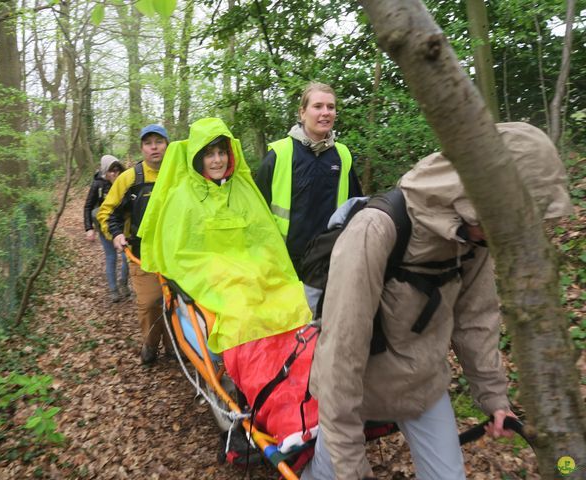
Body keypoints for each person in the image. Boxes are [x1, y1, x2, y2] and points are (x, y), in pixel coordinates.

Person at [302, 122, 573, 480]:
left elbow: (476, 319)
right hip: (358, 389)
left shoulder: (473, 239)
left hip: (423, 386)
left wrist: (493, 399)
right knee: (329, 471)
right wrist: (350, 464)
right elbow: (341, 352)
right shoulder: (376, 230)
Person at [138, 118, 316, 442]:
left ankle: (303, 389)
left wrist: (261, 268)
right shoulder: (182, 195)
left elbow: (264, 240)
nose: (217, 160)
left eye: (222, 152)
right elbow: (182, 253)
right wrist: (224, 269)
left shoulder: (243, 190)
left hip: (252, 273)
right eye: (209, 154)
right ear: (197, 158)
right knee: (241, 311)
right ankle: (261, 395)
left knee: (293, 300)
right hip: (216, 278)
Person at [255, 82, 363, 275]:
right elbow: (255, 213)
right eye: (318, 106)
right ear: (302, 113)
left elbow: (355, 209)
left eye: (331, 107)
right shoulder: (279, 154)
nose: (326, 112)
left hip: (329, 262)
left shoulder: (343, 155)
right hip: (283, 263)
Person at [97, 124, 171, 364]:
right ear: (142, 148)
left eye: (158, 142)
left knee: (176, 302)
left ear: (167, 145)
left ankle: (176, 348)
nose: (154, 147)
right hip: (142, 253)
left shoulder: (179, 175)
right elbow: (106, 213)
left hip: (176, 254)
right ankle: (150, 345)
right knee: (151, 302)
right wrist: (116, 235)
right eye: (148, 143)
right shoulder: (130, 178)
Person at [83, 155, 129, 303]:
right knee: (111, 257)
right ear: (105, 172)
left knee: (127, 258)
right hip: (104, 228)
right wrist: (89, 228)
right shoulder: (98, 185)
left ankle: (123, 282)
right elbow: (88, 206)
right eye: (111, 171)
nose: (115, 173)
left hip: (123, 228)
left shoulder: (125, 183)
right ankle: (113, 289)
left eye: (117, 170)